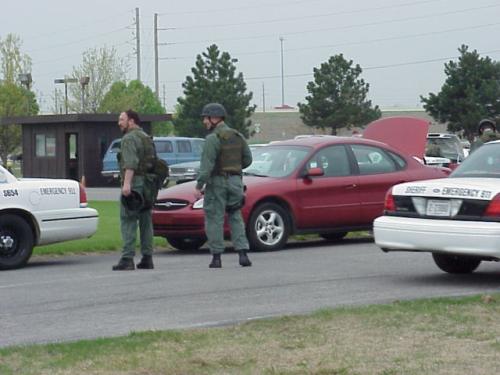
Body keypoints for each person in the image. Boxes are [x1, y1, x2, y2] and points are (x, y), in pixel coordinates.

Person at [195, 103, 253, 268]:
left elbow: (206, 167)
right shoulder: (238, 136)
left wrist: (199, 186)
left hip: (217, 183)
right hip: (236, 182)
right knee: (236, 216)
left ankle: (216, 258)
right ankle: (243, 254)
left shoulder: (212, 139)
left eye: (205, 118)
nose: (204, 122)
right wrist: (234, 169)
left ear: (214, 118)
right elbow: (248, 160)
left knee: (214, 218)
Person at [112, 110, 156, 271]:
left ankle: (127, 258)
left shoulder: (129, 138)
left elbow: (130, 163)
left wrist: (127, 185)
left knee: (128, 219)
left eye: (122, 119)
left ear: (131, 121)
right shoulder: (146, 138)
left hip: (135, 182)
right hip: (147, 184)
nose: (119, 122)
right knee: (146, 221)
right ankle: (147, 257)